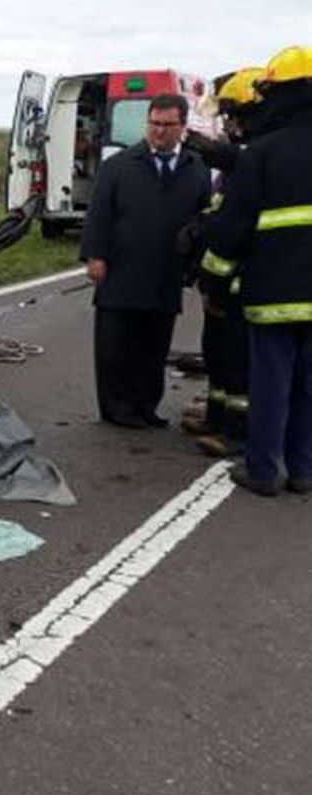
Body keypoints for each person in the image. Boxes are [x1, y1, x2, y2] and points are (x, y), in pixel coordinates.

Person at [206, 46, 312, 495]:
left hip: (272, 292)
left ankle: (263, 471)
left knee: (270, 381)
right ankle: (304, 471)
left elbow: (234, 229)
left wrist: (215, 276)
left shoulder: (263, 153)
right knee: (309, 386)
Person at [81, 92, 211, 429]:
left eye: (168, 125)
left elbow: (206, 215)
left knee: (153, 347)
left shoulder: (196, 170)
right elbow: (99, 216)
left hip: (166, 273)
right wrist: (95, 255)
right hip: (121, 271)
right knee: (115, 347)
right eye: (154, 124)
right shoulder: (118, 167)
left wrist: (195, 262)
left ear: (182, 126)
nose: (159, 132)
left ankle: (145, 406)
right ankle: (116, 408)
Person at [184, 68, 266, 456]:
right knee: (217, 354)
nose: (227, 125)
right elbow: (221, 211)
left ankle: (236, 432)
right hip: (224, 283)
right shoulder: (243, 160)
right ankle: (217, 417)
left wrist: (213, 280)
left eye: (232, 116)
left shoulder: (258, 160)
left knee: (238, 364)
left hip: (241, 283)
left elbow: (236, 226)